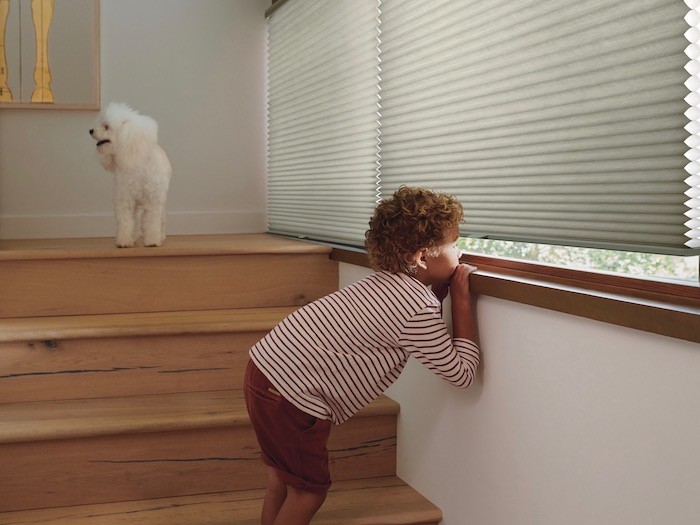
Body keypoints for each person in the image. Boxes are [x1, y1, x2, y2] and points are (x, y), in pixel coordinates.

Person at [244, 186, 480, 525]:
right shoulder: (416, 308)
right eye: (455, 245)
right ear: (422, 256)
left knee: (279, 479)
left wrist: (438, 297)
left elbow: (400, 324)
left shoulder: (380, 284)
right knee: (309, 492)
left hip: (263, 370)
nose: (460, 253)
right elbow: (462, 374)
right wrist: (460, 296)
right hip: (292, 398)